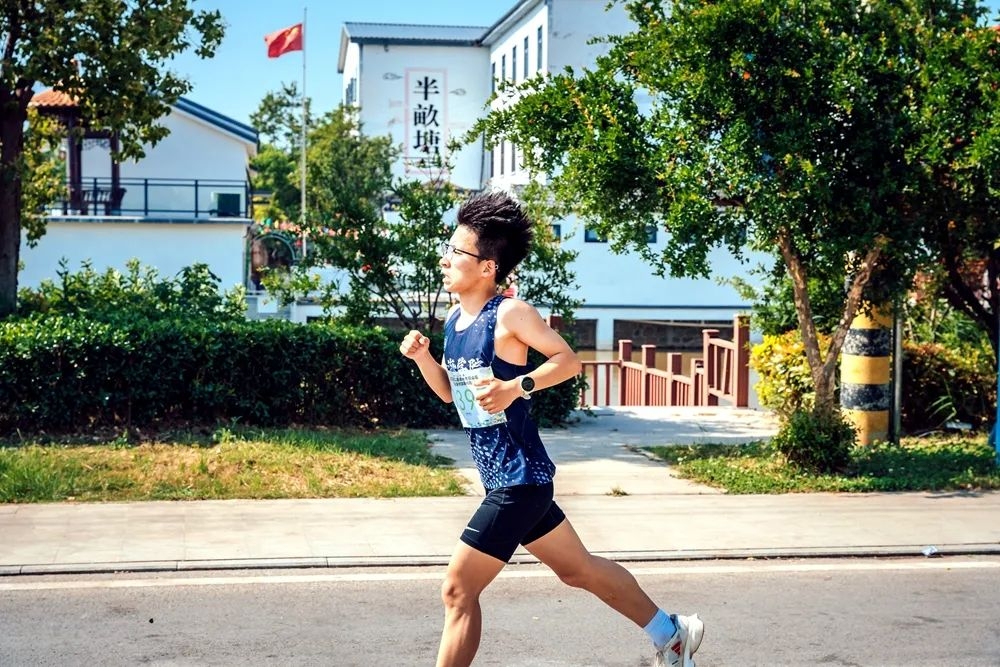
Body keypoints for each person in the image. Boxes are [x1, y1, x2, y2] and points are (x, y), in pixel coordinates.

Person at [399, 191, 704, 667]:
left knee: (458, 590)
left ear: (487, 267)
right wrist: (423, 359)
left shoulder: (510, 314)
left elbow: (568, 361)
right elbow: (449, 395)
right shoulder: (456, 320)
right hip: (507, 480)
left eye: (456, 251)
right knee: (578, 570)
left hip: (519, 481)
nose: (445, 258)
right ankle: (672, 632)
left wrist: (515, 386)